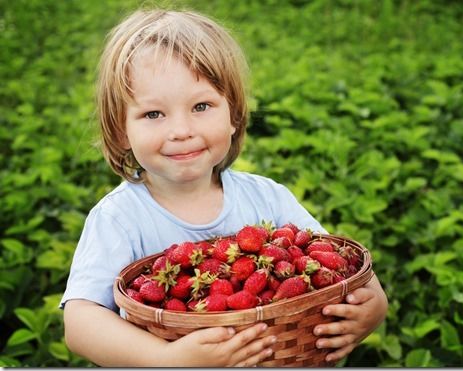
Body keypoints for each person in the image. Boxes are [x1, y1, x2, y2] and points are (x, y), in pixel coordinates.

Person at [60, 8, 388, 367]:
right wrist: (167, 357)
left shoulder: (268, 197)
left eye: (201, 106)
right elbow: (80, 323)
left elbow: (343, 265)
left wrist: (372, 306)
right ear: (122, 131)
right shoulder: (119, 218)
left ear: (233, 117)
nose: (181, 130)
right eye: (154, 114)